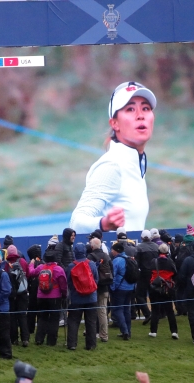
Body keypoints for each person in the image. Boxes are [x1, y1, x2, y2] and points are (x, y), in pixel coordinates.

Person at [70, 82, 156, 234]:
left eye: (146, 108)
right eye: (130, 109)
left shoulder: (135, 162)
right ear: (114, 123)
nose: (140, 115)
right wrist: (103, 223)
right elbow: (76, 223)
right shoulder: (112, 165)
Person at [65, 242, 99, 351]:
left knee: (74, 321)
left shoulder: (71, 266)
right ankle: (91, 345)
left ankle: (72, 344)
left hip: (76, 298)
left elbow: (69, 282)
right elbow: (96, 279)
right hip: (91, 298)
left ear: (75, 252)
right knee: (91, 322)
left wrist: (75, 290)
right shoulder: (92, 264)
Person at [33, 247, 67, 347]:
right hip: (55, 297)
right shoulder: (58, 269)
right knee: (54, 319)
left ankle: (39, 339)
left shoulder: (40, 268)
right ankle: (51, 341)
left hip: (41, 296)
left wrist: (31, 264)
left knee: (42, 318)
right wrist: (64, 295)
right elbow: (63, 285)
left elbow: (32, 273)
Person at [148, 243, 178, 339]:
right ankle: (174, 332)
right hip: (167, 288)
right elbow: (175, 274)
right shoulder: (170, 262)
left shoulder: (153, 261)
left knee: (155, 310)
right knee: (169, 310)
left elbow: (149, 273)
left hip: (155, 288)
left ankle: (153, 331)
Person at [87, 238, 112, 343]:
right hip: (105, 287)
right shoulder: (107, 256)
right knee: (102, 312)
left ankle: (93, 334)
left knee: (92, 312)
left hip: (93, 288)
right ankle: (104, 335)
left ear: (92, 247)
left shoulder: (90, 257)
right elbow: (112, 272)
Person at [5, 246, 31, 347]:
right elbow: (28, 274)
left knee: (13, 316)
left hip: (12, 294)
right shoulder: (23, 262)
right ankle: (25, 339)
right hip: (23, 292)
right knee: (22, 316)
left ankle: (14, 339)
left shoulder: (6, 264)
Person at [109, 242, 135, 341]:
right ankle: (128, 331)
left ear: (117, 251)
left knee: (118, 310)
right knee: (126, 310)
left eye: (113, 250)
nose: (112, 251)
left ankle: (125, 331)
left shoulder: (117, 261)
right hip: (130, 288)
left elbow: (113, 276)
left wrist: (113, 287)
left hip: (120, 289)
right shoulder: (129, 259)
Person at [134, 230, 158, 322]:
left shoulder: (139, 247)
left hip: (143, 274)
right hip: (154, 273)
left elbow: (137, 262)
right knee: (154, 295)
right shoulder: (156, 247)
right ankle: (155, 315)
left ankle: (147, 313)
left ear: (141, 238)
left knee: (139, 295)